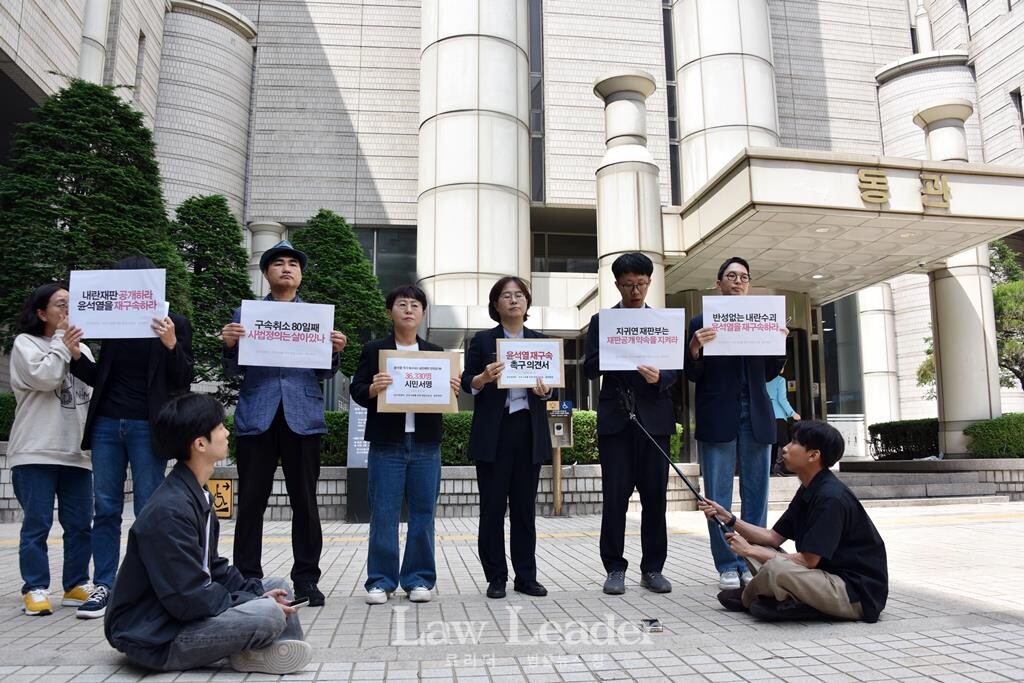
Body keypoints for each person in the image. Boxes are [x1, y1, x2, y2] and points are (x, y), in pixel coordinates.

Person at [104, 393, 312, 674]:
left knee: (278, 587)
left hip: (176, 614)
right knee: (269, 612)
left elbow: (213, 569)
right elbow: (187, 598)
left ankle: (272, 651)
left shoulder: (194, 494)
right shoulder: (171, 511)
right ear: (200, 444)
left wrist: (253, 593)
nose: (227, 433)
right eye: (219, 427)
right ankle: (263, 650)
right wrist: (253, 601)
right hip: (153, 635)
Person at [222, 239, 347, 606]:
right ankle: (247, 577)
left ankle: (306, 578)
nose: (286, 268)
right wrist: (229, 345)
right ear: (266, 274)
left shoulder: (316, 317)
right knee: (251, 503)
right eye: (278, 263)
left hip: (302, 417)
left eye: (293, 263)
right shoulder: (245, 315)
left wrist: (335, 351)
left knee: (305, 502)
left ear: (301, 275)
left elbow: (323, 372)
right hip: (257, 415)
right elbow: (233, 370)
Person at [71, 255, 195, 619]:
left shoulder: (172, 322)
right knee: (106, 507)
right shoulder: (110, 324)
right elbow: (99, 378)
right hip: (108, 423)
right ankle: (104, 583)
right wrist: (75, 354)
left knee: (148, 507)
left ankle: (147, 583)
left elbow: (183, 378)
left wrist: (172, 343)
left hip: (147, 425)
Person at [699, 420, 888, 623]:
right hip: (823, 576)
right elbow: (772, 537)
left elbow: (808, 561)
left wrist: (748, 551)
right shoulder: (810, 488)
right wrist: (729, 518)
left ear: (813, 455)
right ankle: (785, 600)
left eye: (794, 443)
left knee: (775, 567)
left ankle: (748, 598)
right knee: (757, 545)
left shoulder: (831, 498)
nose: (786, 448)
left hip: (854, 594)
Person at [350, 284, 459, 605]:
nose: (409, 309)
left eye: (415, 305)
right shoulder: (375, 351)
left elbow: (448, 396)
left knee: (423, 513)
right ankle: (380, 581)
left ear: (423, 314)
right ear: (390, 312)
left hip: (426, 444)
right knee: (383, 513)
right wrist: (373, 388)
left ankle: (419, 579)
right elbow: (357, 389)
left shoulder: (436, 354)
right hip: (387, 444)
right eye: (402, 304)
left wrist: (452, 387)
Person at [686, 256, 787, 591]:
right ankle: (727, 564)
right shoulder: (702, 321)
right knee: (718, 495)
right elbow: (691, 374)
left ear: (749, 284)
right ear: (718, 283)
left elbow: (770, 372)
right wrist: (695, 348)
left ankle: (754, 560)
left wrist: (779, 341)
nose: (738, 281)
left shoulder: (761, 319)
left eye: (744, 276)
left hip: (757, 413)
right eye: (731, 276)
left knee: (757, 494)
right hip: (718, 414)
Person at [583, 252, 678, 596]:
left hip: (655, 420)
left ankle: (653, 568)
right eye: (627, 284)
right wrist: (617, 356)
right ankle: (614, 568)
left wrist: (659, 378)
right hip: (617, 421)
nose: (635, 290)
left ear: (650, 282)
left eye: (640, 283)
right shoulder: (602, 321)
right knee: (615, 499)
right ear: (616, 285)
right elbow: (589, 367)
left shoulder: (664, 321)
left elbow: (675, 371)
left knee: (656, 499)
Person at [462, 276, 552, 599]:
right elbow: (465, 383)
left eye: (519, 295)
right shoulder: (483, 341)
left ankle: (526, 576)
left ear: (527, 303)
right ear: (496, 304)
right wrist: (483, 378)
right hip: (494, 434)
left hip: (529, 431)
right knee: (492, 509)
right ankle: (496, 576)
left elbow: (549, 385)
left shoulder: (541, 342)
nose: (513, 300)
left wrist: (546, 391)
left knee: (525, 511)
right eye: (506, 296)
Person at [8, 283, 95, 616]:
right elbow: (44, 378)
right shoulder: (25, 344)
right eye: (61, 304)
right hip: (35, 450)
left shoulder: (82, 350)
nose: (68, 310)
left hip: (76, 452)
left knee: (79, 524)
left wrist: (72, 348)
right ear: (41, 313)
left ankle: (75, 584)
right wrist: (61, 342)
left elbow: (90, 390)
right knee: (37, 523)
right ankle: (35, 587)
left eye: (72, 304)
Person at [767, 365, 800, 476]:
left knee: (772, 443)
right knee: (785, 443)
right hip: (779, 416)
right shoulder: (780, 380)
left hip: (766, 415)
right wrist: (793, 413)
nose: (783, 368)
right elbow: (782, 399)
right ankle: (785, 466)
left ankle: (770, 468)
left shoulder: (762, 379)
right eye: (782, 365)